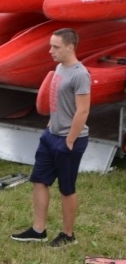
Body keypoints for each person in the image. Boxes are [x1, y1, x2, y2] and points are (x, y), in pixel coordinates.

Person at [11, 28, 90, 248]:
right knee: (39, 180)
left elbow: (83, 110)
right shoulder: (59, 68)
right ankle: (38, 230)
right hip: (50, 136)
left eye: (55, 47)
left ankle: (68, 235)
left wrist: (70, 140)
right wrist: (50, 126)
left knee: (67, 188)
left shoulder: (80, 74)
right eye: (50, 46)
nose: (50, 51)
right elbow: (60, 102)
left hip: (69, 139)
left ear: (70, 47)